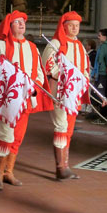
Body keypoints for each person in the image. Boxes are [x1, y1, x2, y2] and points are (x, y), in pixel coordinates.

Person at [0, 10, 53, 190]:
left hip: (26, 100)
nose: (22, 24)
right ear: (9, 26)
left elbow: (39, 73)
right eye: (17, 22)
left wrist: (33, 87)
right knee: (6, 136)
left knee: (18, 137)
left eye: (23, 21)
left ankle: (9, 172)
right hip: (8, 99)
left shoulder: (31, 47)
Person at [42, 11, 90, 180]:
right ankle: (60, 167)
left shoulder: (79, 45)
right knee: (61, 126)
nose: (75, 28)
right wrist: (64, 76)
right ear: (64, 26)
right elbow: (47, 64)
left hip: (74, 93)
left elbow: (84, 66)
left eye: (77, 26)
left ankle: (66, 165)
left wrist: (84, 77)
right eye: (71, 25)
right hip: (60, 91)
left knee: (68, 129)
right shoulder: (56, 43)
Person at [91, 28, 107, 124]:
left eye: (100, 35)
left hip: (103, 75)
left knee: (101, 96)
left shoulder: (105, 47)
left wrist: (97, 73)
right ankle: (101, 115)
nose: (98, 37)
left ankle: (102, 117)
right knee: (102, 94)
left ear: (105, 36)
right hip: (105, 74)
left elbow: (102, 62)